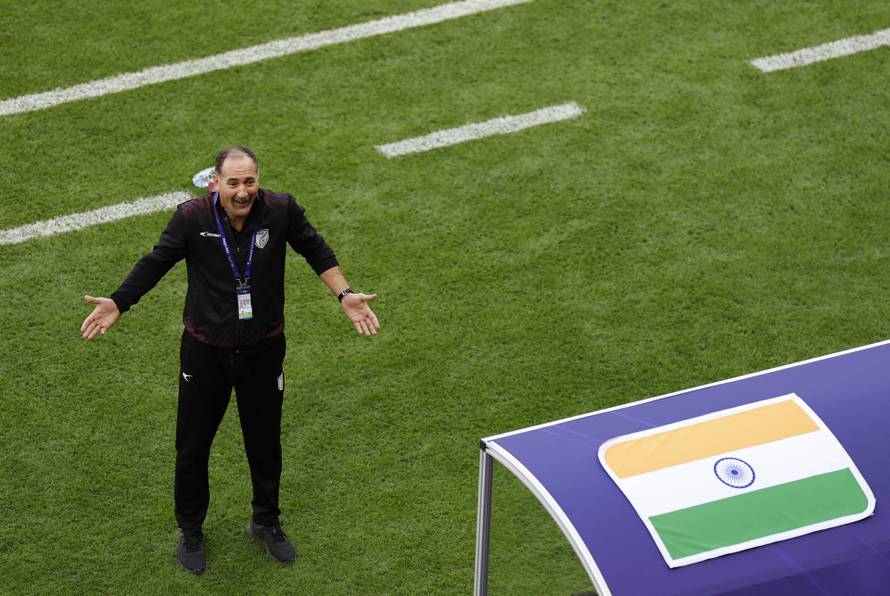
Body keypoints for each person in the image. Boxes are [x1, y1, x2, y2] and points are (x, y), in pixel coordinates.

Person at [80, 146, 379, 574]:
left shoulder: (280, 211)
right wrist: (120, 303)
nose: (243, 192)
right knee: (193, 445)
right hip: (205, 352)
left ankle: (266, 522)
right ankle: (191, 530)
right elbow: (157, 262)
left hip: (264, 349)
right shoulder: (193, 218)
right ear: (215, 182)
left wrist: (346, 296)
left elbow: (316, 249)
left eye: (250, 181)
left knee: (265, 442)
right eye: (234, 183)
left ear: (259, 180)